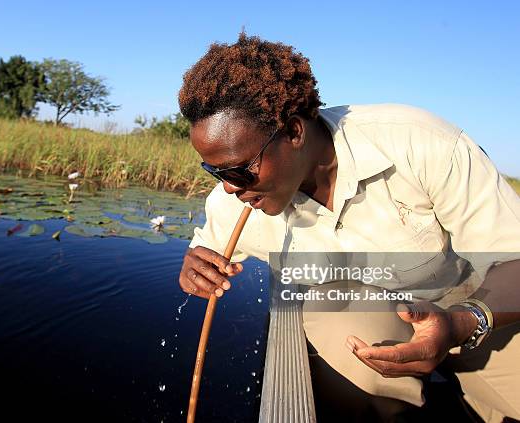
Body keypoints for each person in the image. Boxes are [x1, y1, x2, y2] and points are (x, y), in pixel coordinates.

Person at [177, 32, 520, 422]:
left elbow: (515, 259)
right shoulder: (233, 201)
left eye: (240, 169)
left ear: (293, 132)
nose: (229, 186)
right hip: (377, 320)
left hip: (477, 307)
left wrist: (461, 323)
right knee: (332, 315)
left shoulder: (420, 143)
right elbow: (202, 255)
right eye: (215, 170)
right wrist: (194, 270)